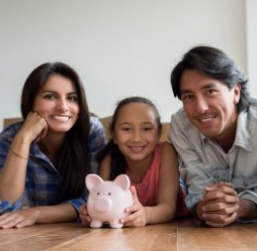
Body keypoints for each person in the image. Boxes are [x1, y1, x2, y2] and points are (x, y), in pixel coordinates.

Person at [169, 45, 257, 228]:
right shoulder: (181, 126)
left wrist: (239, 207)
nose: (200, 108)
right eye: (188, 97)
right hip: (205, 235)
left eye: (210, 91)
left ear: (236, 91)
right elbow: (197, 188)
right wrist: (205, 206)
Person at [0, 62, 107, 229]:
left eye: (72, 98)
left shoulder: (91, 131)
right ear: (31, 101)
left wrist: (36, 214)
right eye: (50, 96)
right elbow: (0, 211)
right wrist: (24, 139)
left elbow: (94, 199)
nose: (63, 107)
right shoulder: (11, 137)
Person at [79, 96, 189, 227]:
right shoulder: (109, 159)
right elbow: (99, 198)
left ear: (159, 133)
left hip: (177, 227)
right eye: (126, 129)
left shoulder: (166, 152)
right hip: (126, 230)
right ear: (113, 134)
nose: (137, 138)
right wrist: (90, 212)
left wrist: (144, 215)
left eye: (146, 128)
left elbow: (168, 209)